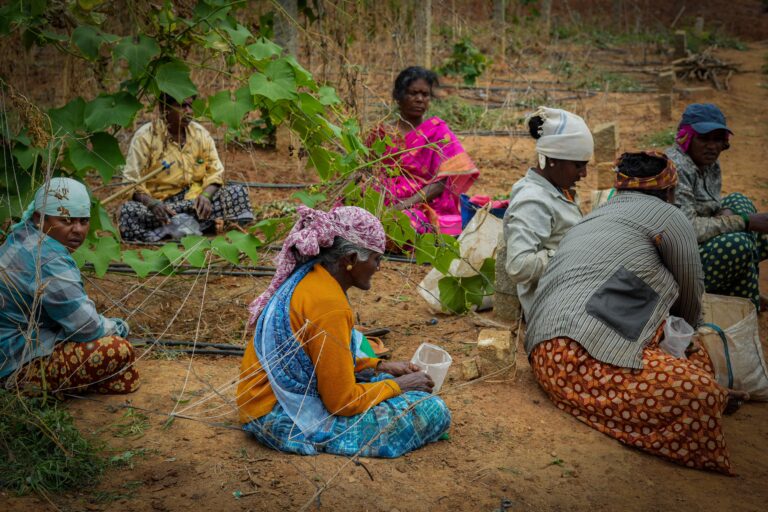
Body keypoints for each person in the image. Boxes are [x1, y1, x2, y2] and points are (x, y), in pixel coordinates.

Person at [525, 152, 735, 474]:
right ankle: (710, 396)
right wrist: (689, 336)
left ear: (619, 189)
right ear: (670, 191)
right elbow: (692, 291)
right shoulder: (669, 215)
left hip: (545, 354)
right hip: (579, 356)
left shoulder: (598, 214)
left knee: (696, 364)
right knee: (701, 394)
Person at [237, 205, 451, 457]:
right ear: (350, 259)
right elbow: (342, 402)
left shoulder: (312, 277)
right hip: (280, 417)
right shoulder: (330, 305)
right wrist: (397, 385)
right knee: (431, 409)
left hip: (256, 402)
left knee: (384, 383)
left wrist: (379, 367)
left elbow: (320, 359)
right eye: (375, 258)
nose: (379, 267)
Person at [0, 178, 139, 394]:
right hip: (11, 362)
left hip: (13, 344)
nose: (78, 230)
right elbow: (87, 328)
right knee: (117, 349)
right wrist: (121, 328)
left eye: (83, 221)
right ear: (40, 218)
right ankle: (20, 385)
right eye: (66, 220)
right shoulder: (48, 258)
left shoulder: (22, 235)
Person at [666, 103, 768, 309]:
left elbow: (710, 206)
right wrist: (743, 222)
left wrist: (724, 213)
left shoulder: (709, 162)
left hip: (697, 239)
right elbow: (688, 230)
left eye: (718, 139)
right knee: (737, 244)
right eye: (703, 139)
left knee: (740, 202)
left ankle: (744, 293)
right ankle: (742, 301)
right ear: (686, 138)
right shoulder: (676, 168)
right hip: (674, 261)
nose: (712, 146)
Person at [498, 106, 593, 318]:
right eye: (578, 166)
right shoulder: (534, 200)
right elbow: (518, 266)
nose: (584, 173)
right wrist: (570, 254)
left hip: (568, 291)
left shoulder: (557, 189)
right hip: (554, 309)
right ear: (552, 160)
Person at [119, 93, 254, 242]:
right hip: (162, 209)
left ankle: (177, 230)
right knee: (129, 212)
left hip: (195, 202)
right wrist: (152, 204)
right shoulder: (145, 137)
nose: (189, 111)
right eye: (182, 106)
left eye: (190, 106)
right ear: (165, 109)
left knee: (237, 192)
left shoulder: (200, 134)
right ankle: (191, 227)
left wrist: (206, 196)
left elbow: (215, 172)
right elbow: (130, 182)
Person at [365, 66, 479, 235]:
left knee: (404, 225)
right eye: (413, 93)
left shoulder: (438, 132)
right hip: (381, 199)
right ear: (398, 96)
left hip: (420, 204)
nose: (419, 99)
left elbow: (441, 184)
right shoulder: (381, 133)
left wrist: (402, 205)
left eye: (425, 95)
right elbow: (366, 171)